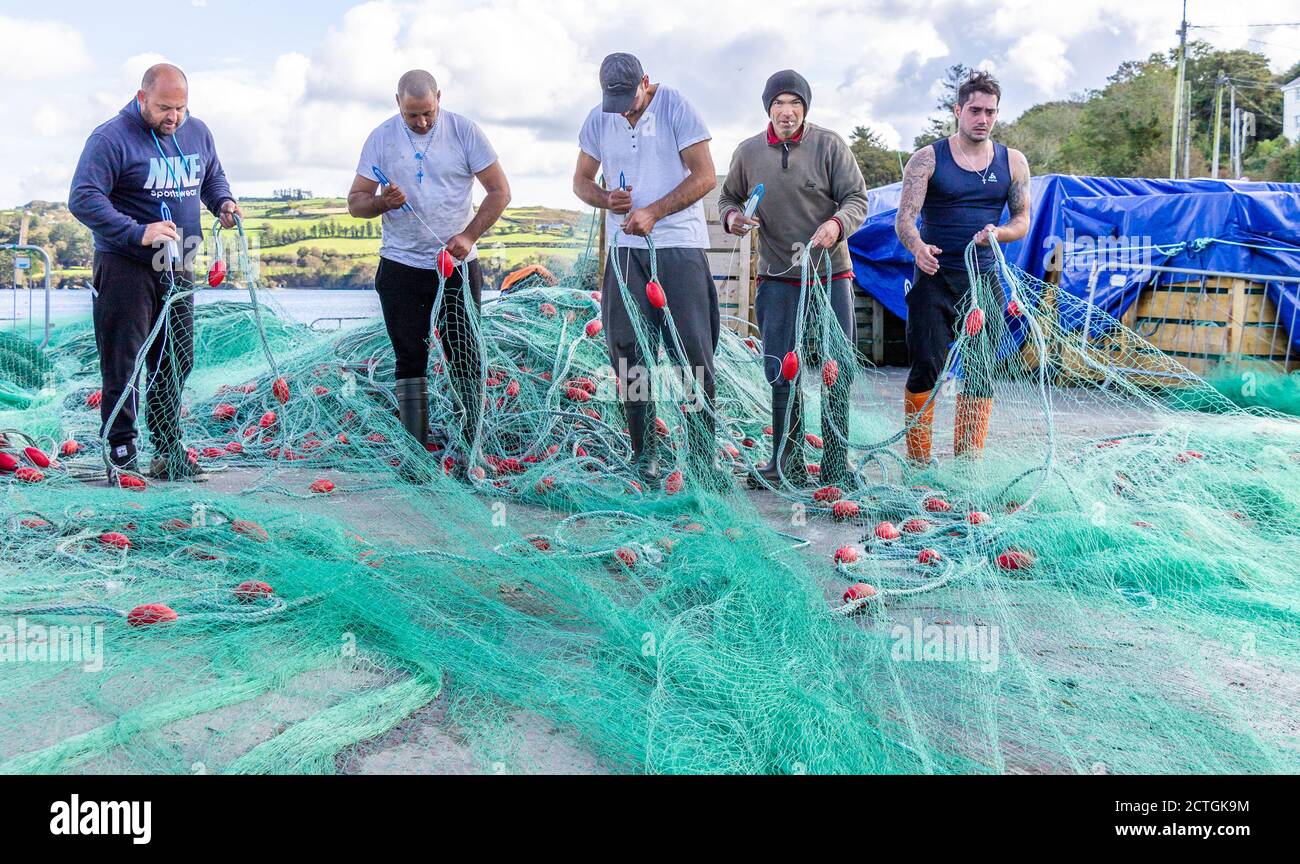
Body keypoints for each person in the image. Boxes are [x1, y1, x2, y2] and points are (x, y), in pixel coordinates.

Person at [69, 63, 241, 484]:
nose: (174, 117)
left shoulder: (197, 131)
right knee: (123, 362)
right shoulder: (110, 137)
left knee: (177, 359)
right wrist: (136, 232)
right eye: (165, 107)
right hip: (126, 261)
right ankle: (122, 451)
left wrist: (223, 202)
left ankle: (167, 451)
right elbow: (82, 198)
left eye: (181, 108)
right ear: (141, 97)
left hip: (180, 257)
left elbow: (211, 177)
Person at [348, 70, 510, 467]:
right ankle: (415, 457)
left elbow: (500, 191)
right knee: (409, 355)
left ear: (439, 97)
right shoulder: (381, 138)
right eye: (412, 115)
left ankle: (471, 449)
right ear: (397, 103)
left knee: (465, 354)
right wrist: (382, 202)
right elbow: (355, 202)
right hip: (402, 265)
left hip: (456, 265)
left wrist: (469, 236)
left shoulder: (465, 132)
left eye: (427, 113)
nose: (421, 122)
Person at [571, 52, 720, 486]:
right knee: (627, 352)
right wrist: (606, 200)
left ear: (646, 82)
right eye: (613, 101)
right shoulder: (599, 119)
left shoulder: (676, 105)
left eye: (630, 99)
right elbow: (580, 181)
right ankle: (645, 455)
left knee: (692, 354)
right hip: (624, 250)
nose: (625, 109)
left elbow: (706, 175)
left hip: (678, 246)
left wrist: (654, 211)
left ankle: (700, 457)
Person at [719, 70, 868, 487]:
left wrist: (837, 225)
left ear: (805, 108)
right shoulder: (748, 153)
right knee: (782, 368)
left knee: (837, 367)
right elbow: (728, 197)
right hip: (778, 275)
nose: (787, 112)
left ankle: (837, 462)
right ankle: (787, 460)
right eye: (779, 104)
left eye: (795, 104)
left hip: (828, 273)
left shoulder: (829, 145)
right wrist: (733, 218)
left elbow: (857, 198)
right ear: (768, 108)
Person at [894, 71, 1031, 464]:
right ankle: (918, 464)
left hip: (983, 281)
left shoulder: (1013, 162)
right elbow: (905, 219)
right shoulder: (927, 158)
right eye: (975, 110)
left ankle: (968, 464)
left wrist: (999, 233)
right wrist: (917, 247)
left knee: (981, 371)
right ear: (958, 110)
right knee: (926, 367)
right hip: (935, 278)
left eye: (990, 111)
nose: (983, 119)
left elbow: (1022, 221)